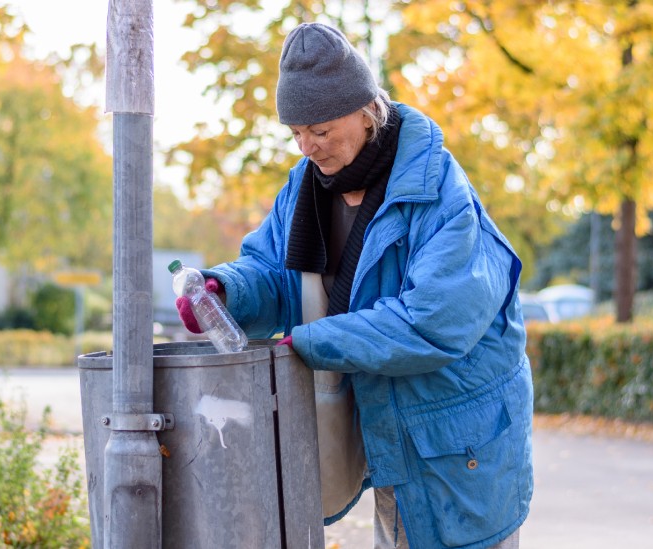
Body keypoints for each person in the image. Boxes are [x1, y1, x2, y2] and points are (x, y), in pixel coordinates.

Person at [176, 22, 532, 549]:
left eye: (319, 130)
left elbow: (433, 322)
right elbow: (276, 274)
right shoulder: (305, 188)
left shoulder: (438, 193)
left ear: (366, 109)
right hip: (391, 423)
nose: (307, 147)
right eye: (295, 132)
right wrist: (225, 290)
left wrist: (313, 342)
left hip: (458, 438)